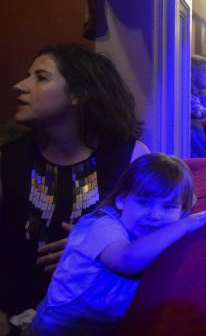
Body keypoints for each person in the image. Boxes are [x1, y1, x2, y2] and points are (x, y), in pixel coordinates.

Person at [1, 44, 150, 320]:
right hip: (15, 312)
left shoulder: (129, 157)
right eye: (27, 76)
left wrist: (98, 246)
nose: (19, 86)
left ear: (78, 94)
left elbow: (153, 235)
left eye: (41, 77)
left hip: (95, 314)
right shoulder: (7, 157)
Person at [30, 154, 206, 335]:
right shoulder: (102, 225)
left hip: (100, 326)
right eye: (144, 203)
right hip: (56, 326)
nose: (155, 216)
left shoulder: (152, 232)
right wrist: (184, 224)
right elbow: (127, 259)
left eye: (168, 206)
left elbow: (188, 201)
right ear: (121, 200)